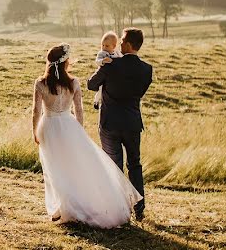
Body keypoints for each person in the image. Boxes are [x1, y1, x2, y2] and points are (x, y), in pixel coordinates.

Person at [32, 43, 142, 228]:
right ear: (65, 62)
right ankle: (68, 204)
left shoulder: (41, 83)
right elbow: (79, 110)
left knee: (53, 167)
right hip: (68, 125)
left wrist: (34, 130)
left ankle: (62, 206)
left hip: (49, 126)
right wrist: (79, 131)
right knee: (71, 166)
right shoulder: (73, 82)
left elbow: (36, 111)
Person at [86, 28, 152, 221]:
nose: (119, 44)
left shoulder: (111, 64)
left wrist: (103, 66)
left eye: (122, 41)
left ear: (129, 44)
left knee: (114, 167)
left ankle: (119, 208)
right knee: (135, 164)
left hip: (109, 123)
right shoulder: (147, 69)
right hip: (132, 123)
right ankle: (139, 208)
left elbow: (91, 84)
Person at [93, 31, 122, 110]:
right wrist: (102, 61)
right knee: (101, 89)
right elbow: (97, 61)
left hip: (113, 75)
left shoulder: (117, 53)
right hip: (103, 75)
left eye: (107, 46)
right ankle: (96, 101)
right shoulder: (102, 54)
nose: (104, 47)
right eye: (102, 45)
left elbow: (122, 58)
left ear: (114, 46)